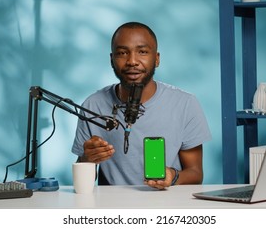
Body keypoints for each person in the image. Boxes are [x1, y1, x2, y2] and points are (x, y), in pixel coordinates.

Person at [71, 22, 212, 190]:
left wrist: (172, 176)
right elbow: (83, 180)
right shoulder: (93, 105)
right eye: (122, 53)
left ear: (157, 59)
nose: (132, 61)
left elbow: (196, 174)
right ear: (111, 59)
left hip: (166, 206)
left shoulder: (185, 104)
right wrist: (87, 159)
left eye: (142, 52)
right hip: (112, 209)